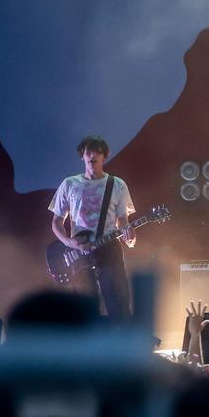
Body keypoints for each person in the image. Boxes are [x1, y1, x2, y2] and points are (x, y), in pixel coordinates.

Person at [48, 134, 135, 320]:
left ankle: (120, 345)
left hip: (109, 250)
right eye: (88, 152)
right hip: (79, 252)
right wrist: (71, 244)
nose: (92, 155)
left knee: (118, 305)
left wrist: (129, 234)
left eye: (97, 152)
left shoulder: (117, 185)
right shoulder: (69, 184)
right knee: (86, 311)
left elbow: (123, 221)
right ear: (82, 155)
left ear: (104, 157)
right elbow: (56, 222)